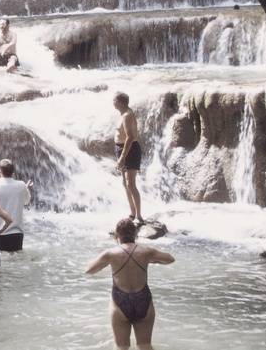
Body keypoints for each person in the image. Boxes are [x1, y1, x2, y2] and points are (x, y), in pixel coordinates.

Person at [84, 217, 175, 350]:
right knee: (145, 345)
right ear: (135, 234)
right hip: (143, 299)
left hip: (120, 301)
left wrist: (105, 264)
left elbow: (88, 270)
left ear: (117, 235)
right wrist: (153, 260)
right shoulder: (146, 251)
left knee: (121, 347)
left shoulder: (110, 254)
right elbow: (170, 259)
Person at [0, 159, 34, 252]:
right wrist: (27, 189)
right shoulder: (21, 185)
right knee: (17, 263)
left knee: (2, 263)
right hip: (17, 233)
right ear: (13, 171)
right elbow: (26, 201)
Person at [114, 93, 146, 224]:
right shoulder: (123, 113)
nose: (113, 103)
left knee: (130, 184)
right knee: (125, 183)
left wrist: (122, 157)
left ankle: (139, 216)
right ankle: (132, 213)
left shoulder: (127, 115)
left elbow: (130, 137)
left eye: (114, 101)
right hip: (122, 149)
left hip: (130, 150)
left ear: (120, 102)